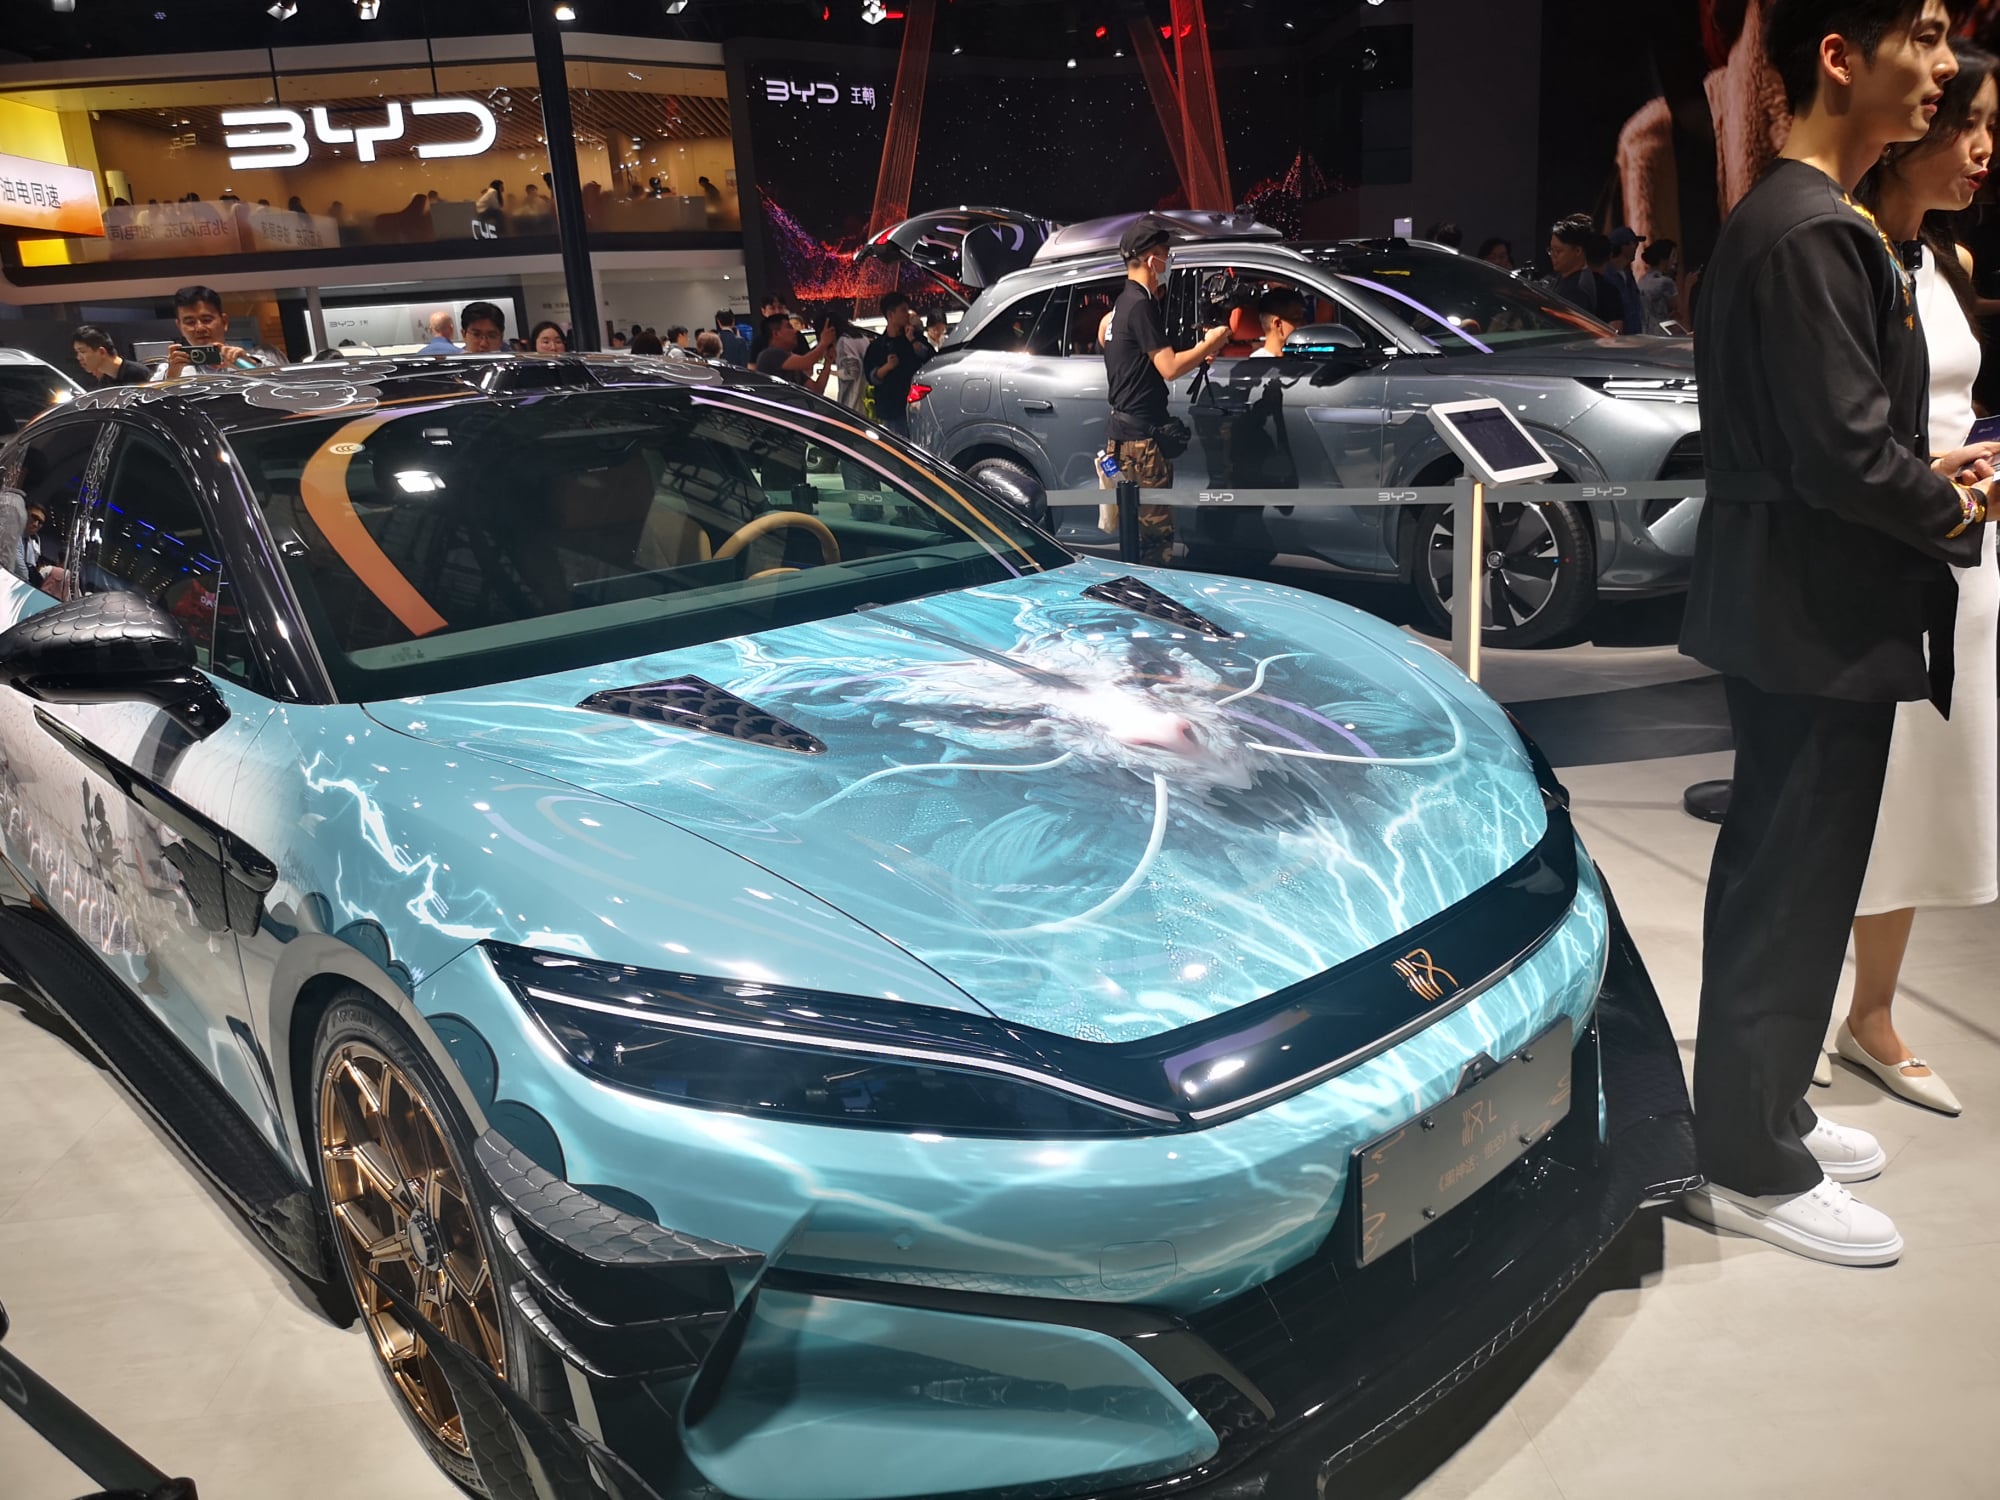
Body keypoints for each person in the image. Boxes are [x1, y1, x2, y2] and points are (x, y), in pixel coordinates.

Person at [1678, 0, 1992, 1267]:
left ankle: (1765, 1112)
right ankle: (1747, 1161)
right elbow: (1844, 457)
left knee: (1796, 877)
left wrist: (1920, 482)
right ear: (1836, 56)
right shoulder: (1810, 227)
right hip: (1810, 608)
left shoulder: (1805, 217)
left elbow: (1835, 445)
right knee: (1790, 879)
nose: (1940, 67)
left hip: (1806, 604)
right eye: (1923, 35)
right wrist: (1953, 503)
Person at [1827, 37, 2000, 1117]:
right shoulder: (1843, 250)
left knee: (1923, 796)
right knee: (1853, 795)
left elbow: (1953, 408)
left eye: (1989, 130)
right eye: (1966, 124)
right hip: (1877, 558)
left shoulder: (1950, 262)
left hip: (1964, 560)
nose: (1982, 150)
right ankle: (1803, 1008)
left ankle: (1871, 1014)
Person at [1102, 218, 1230, 565]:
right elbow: (1169, 367)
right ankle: (1150, 597)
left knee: (1134, 534)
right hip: (1143, 443)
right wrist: (1210, 343)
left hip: (1123, 436)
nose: (1168, 261)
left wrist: (1195, 351)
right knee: (1155, 542)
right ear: (1150, 259)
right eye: (1165, 253)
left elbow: (1121, 347)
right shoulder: (1141, 305)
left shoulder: (1122, 303)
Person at [160, 285, 262, 378]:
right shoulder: (169, 370)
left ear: (224, 322)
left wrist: (248, 366)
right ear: (180, 327)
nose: (200, 328)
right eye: (190, 322)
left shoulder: (253, 362)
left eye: (206, 320)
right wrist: (171, 377)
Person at [864, 292, 930, 433]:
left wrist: (912, 340)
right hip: (892, 410)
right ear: (890, 314)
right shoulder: (878, 347)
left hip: (918, 407)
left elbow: (929, 358)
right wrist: (887, 367)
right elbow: (871, 377)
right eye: (903, 310)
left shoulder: (914, 338)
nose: (907, 314)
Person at [754, 313, 836, 392]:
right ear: (776, 333)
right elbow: (807, 363)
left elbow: (816, 389)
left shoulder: (792, 365)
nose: (795, 331)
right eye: (789, 327)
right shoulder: (769, 354)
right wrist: (824, 343)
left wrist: (827, 363)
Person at [71, 326, 151, 387]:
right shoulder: (104, 383)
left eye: (82, 351)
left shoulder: (139, 374)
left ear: (102, 352)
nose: (78, 358)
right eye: (77, 352)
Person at [1606, 226, 1648, 335]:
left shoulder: (1628, 275)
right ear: (1624, 247)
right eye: (1634, 243)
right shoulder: (1607, 276)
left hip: (1635, 337)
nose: (1636, 247)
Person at [1637, 239, 1683, 330]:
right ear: (1663, 259)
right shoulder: (1666, 282)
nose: (1675, 261)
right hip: (1662, 332)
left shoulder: (1642, 279)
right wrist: (1689, 285)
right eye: (1673, 256)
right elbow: (1680, 312)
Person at [1250, 287, 1308, 356]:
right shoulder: (1259, 361)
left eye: (1304, 318)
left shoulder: (1302, 355)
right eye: (1297, 319)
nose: (1304, 324)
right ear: (1277, 324)